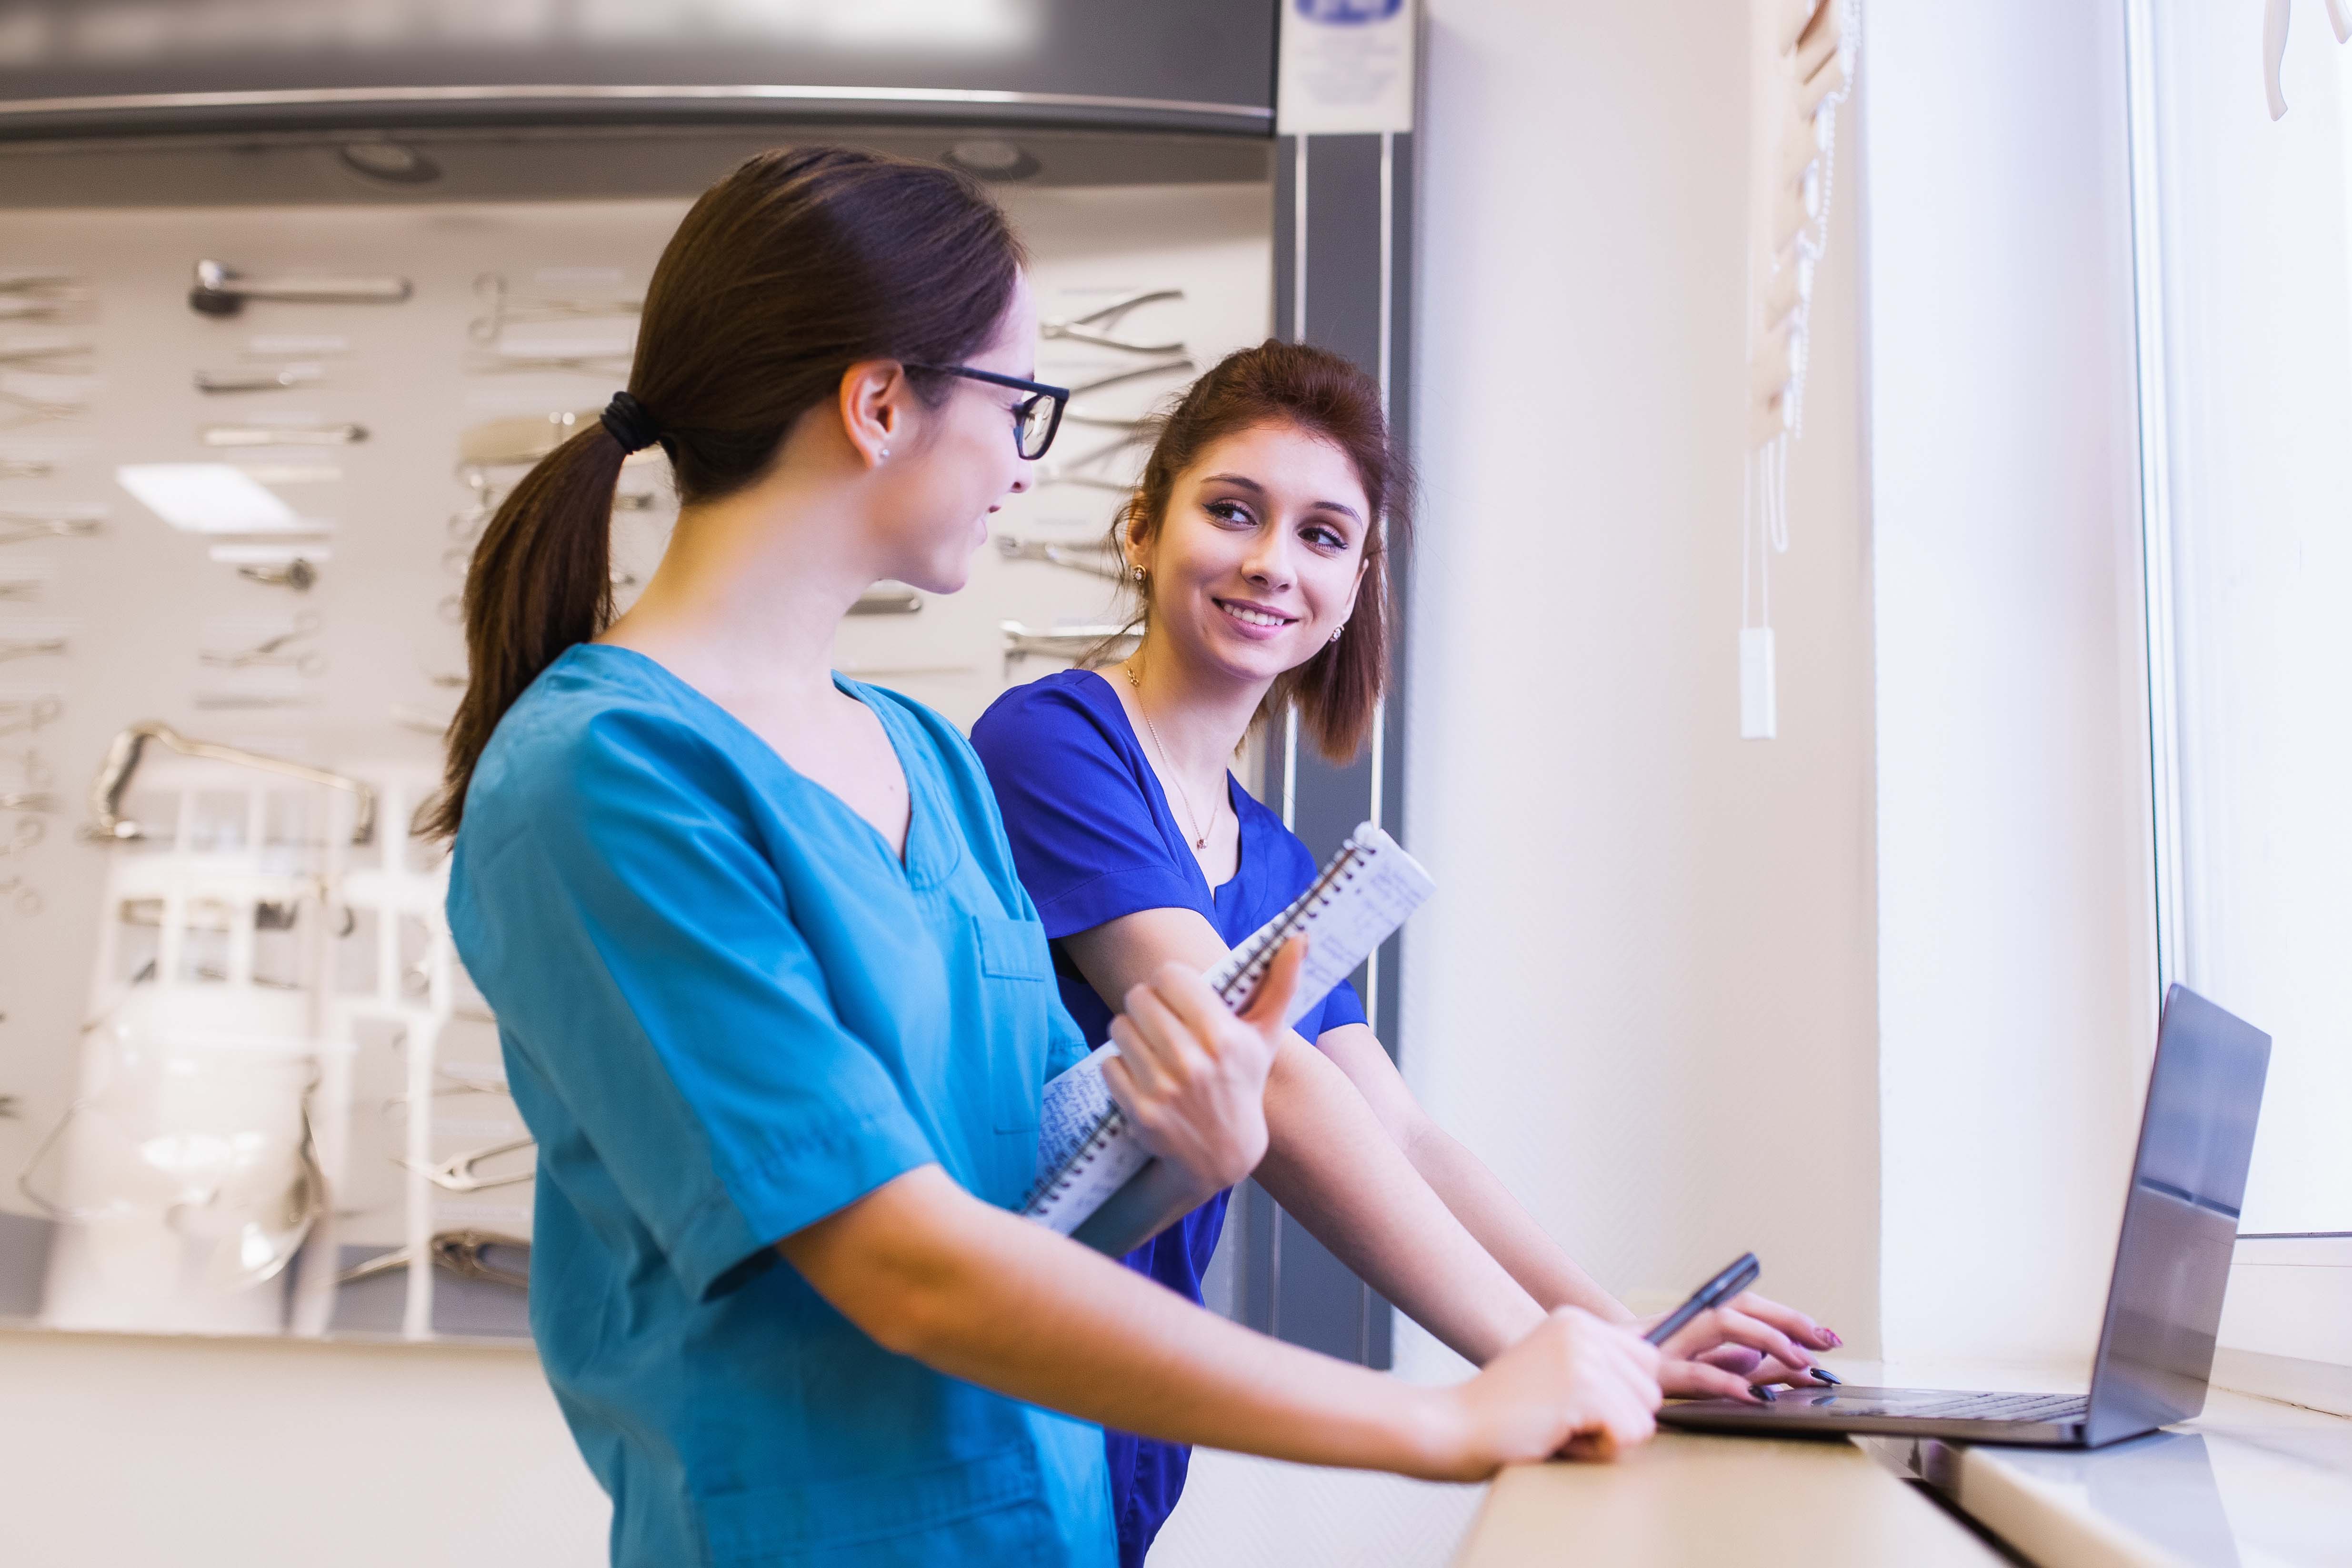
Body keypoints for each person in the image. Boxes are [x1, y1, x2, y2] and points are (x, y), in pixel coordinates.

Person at [432, 149, 1678, 1567]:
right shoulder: (608, 777)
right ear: (882, 404)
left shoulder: (929, 761)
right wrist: (1440, 1422)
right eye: (1018, 405)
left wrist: (1188, 1151)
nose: (1026, 463)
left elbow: (1033, 1181)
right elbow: (899, 1263)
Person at [971, 340, 1841, 1565]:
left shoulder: (1271, 857)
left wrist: (1622, 1334)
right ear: (1140, 529)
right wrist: (1523, 1359)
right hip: (996, 1408)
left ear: (1358, 577)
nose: (1273, 562)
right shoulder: (1054, 741)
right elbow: (1243, 1059)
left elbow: (1403, 1133)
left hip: (1122, 1432)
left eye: (1324, 535)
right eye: (1232, 512)